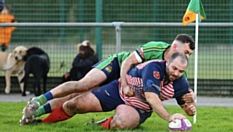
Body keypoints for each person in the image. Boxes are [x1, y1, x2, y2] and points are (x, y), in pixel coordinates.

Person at [20, 34, 195, 124]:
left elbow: (183, 94)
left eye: (188, 55)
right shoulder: (155, 48)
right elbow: (128, 62)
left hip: (126, 83)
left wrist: (190, 99)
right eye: (186, 51)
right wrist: (125, 83)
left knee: (79, 99)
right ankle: (39, 101)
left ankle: (36, 116)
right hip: (119, 65)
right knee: (84, 85)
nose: (186, 56)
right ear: (174, 46)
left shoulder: (177, 69)